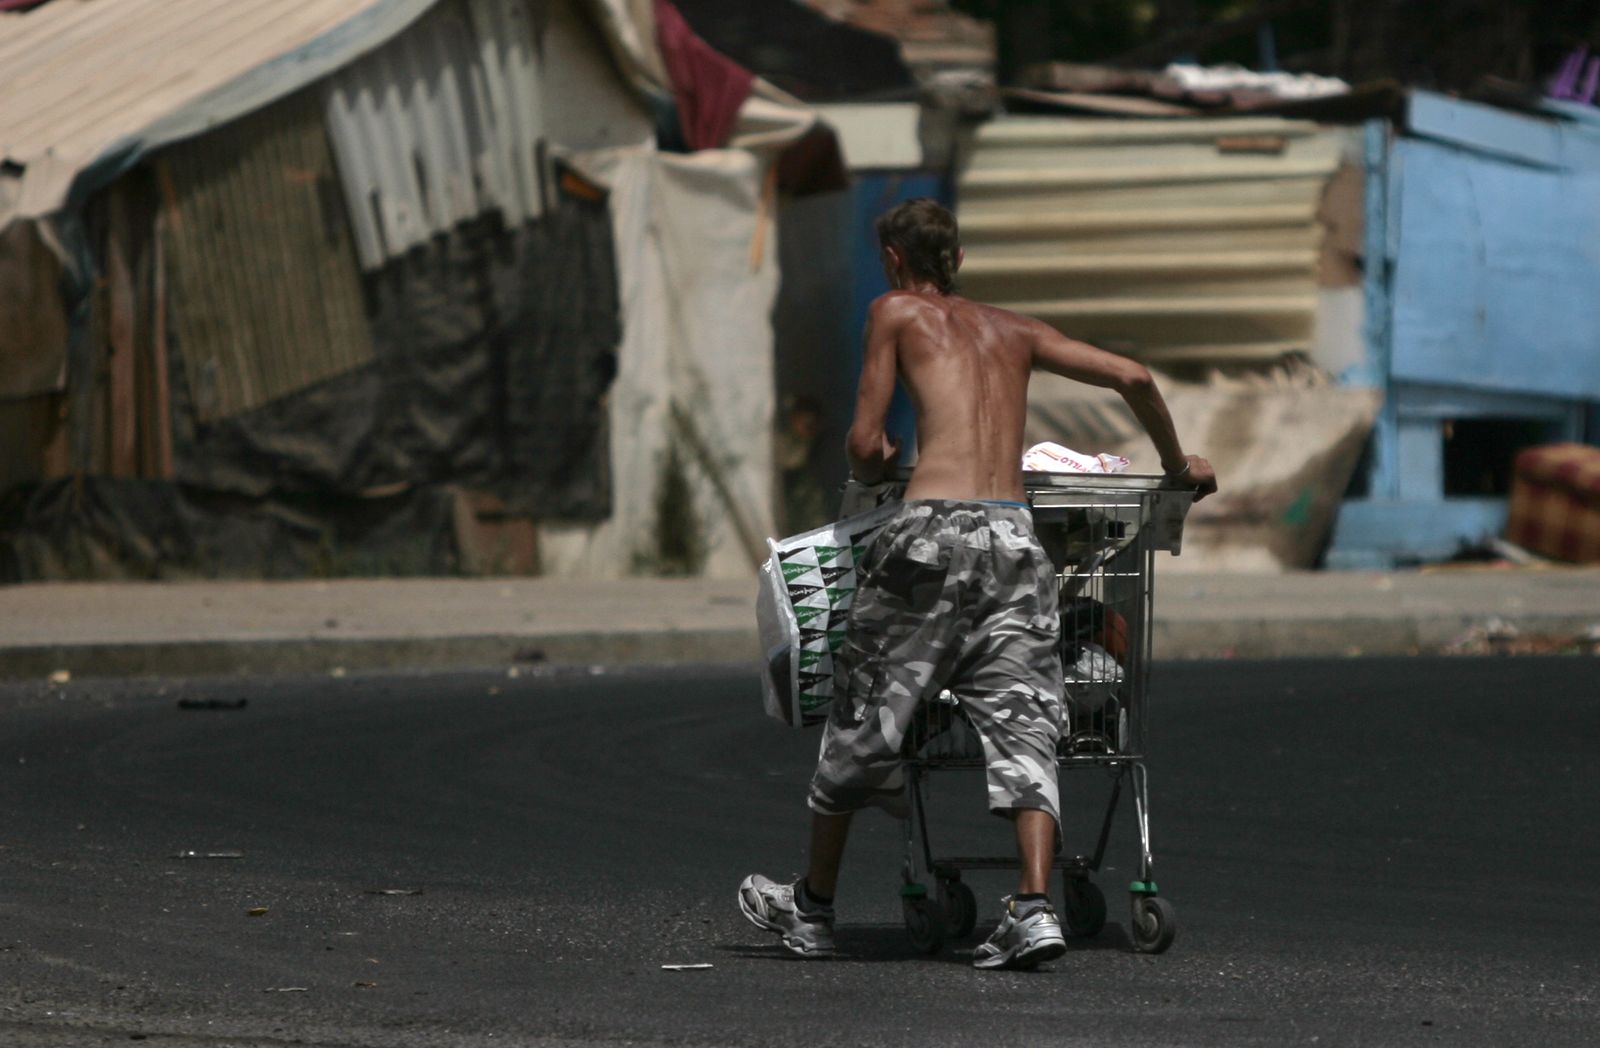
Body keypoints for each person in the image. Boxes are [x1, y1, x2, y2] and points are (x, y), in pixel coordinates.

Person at [738, 198, 1217, 970]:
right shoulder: (1014, 330)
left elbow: (864, 444)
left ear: (895, 259)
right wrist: (1176, 464)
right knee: (1027, 724)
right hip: (1014, 538)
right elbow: (1132, 374)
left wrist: (872, 457)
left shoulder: (894, 311)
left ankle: (814, 911)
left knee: (863, 716)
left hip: (930, 537)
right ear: (955, 259)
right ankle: (1033, 908)